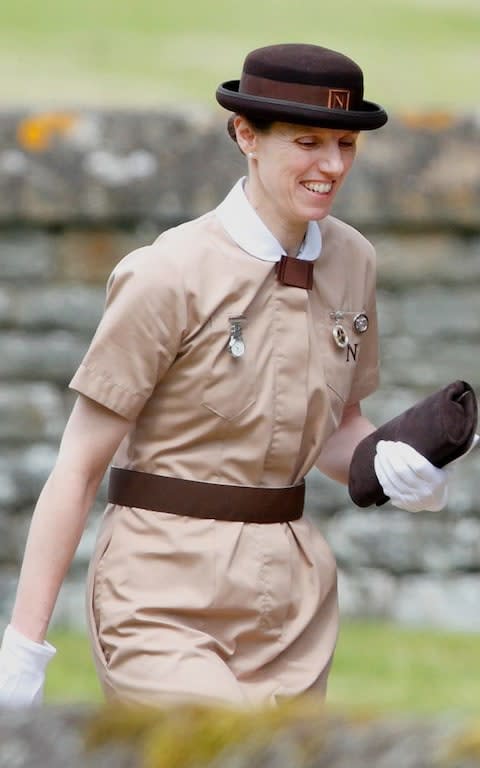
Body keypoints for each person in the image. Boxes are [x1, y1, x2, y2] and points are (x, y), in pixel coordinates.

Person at [0, 43, 452, 708]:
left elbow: (336, 425)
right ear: (246, 134)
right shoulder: (166, 274)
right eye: (308, 142)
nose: (332, 165)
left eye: (346, 144)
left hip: (294, 602)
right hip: (159, 590)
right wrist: (24, 644)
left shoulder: (354, 260)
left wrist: (391, 465)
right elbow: (79, 467)